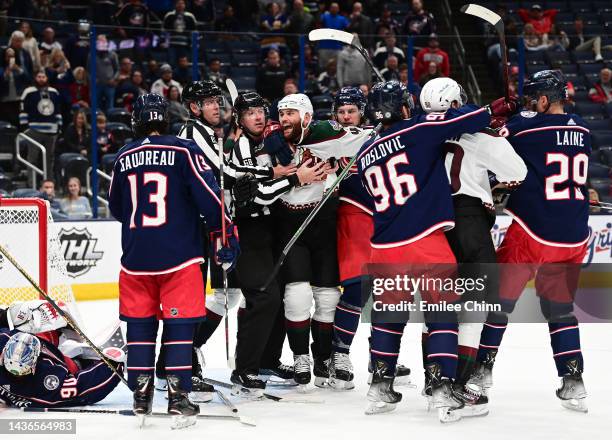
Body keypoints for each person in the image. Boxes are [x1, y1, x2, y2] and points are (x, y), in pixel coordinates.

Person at [356, 80, 509, 419]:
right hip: (426, 241)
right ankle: (441, 389)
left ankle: (379, 388)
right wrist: (493, 109)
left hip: (384, 246)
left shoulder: (365, 153)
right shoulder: (418, 128)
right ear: (406, 108)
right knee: (442, 315)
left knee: (388, 318)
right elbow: (459, 120)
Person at [154, 81, 294, 395]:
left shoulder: (208, 134)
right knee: (189, 299)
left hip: (210, 226)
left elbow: (227, 170)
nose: (217, 107)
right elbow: (224, 174)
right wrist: (275, 174)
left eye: (218, 101)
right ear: (193, 108)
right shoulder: (192, 134)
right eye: (208, 102)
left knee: (224, 296)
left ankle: (182, 357)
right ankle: (171, 365)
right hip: (193, 229)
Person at [108, 93, 239, 426]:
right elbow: (209, 199)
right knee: (179, 327)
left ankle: (141, 396)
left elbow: (116, 208)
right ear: (166, 118)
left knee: (139, 329)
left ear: (136, 121)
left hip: (136, 257)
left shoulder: (123, 155)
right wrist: (225, 233)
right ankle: (179, 398)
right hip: (180, 255)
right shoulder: (184, 150)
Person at [471, 70, 591, 413]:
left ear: (543, 100)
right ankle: (573, 381)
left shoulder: (527, 127)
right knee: (560, 309)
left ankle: (481, 371)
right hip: (573, 234)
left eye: (531, 99)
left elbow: (486, 133)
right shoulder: (581, 125)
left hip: (533, 231)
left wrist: (501, 112)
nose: (529, 104)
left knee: (500, 303)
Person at [419, 77, 526, 414]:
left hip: (430, 224)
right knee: (476, 307)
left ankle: (435, 380)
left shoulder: (418, 133)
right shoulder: (478, 134)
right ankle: (461, 388)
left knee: (438, 308)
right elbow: (517, 171)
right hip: (467, 221)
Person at [225, 92, 327, 394]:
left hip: (271, 228)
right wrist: (296, 179)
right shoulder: (241, 145)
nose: (258, 117)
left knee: (281, 294)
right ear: (239, 119)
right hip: (249, 230)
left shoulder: (265, 139)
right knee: (263, 297)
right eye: (250, 113)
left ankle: (268, 359)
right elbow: (256, 195)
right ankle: (245, 369)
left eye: (261, 110)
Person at [270, 93, 373, 388]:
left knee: (328, 298)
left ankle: (325, 358)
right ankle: (300, 356)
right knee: (297, 297)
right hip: (290, 225)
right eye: (282, 113)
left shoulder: (325, 132)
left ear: (306, 116)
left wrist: (387, 120)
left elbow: (361, 136)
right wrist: (271, 135)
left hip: (323, 221)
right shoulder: (271, 139)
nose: (284, 118)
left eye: (291, 113)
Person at [329, 86, 411, 391]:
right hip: (352, 218)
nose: (346, 116)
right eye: (341, 111)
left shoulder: (379, 136)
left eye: (351, 110)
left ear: (364, 111)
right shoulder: (332, 137)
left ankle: (381, 358)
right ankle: (339, 355)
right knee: (355, 290)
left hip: (384, 220)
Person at [0, 300, 124, 408]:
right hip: (60, 364)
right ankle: (75, 356)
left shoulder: (2, 340)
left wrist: (5, 316)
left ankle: (57, 333)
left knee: (24, 323)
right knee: (73, 366)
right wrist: (112, 366)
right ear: (33, 366)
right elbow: (85, 388)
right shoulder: (44, 386)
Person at [19, 70, 63, 179]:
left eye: (43, 76)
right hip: (34, 130)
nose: (41, 79)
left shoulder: (54, 92)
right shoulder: (29, 91)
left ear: (47, 78)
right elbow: (23, 109)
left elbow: (57, 110)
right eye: (39, 76)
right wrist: (24, 126)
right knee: (32, 158)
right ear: (35, 78)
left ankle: (49, 184)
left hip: (52, 130)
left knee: (49, 159)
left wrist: (59, 125)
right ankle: (32, 184)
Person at [163, 0, 197, 66]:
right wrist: (166, 43)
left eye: (182, 3)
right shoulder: (169, 15)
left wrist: (192, 44)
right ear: (175, 4)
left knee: (184, 65)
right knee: (172, 64)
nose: (180, 5)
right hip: (172, 45)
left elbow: (194, 32)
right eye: (178, 3)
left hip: (185, 45)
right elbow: (165, 31)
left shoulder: (190, 16)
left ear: (185, 5)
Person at [317, 2, 349, 69]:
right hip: (324, 46)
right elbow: (318, 23)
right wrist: (320, 10)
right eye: (332, 8)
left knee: (337, 67)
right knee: (323, 67)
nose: (334, 9)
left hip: (337, 47)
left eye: (336, 8)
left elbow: (348, 28)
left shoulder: (342, 19)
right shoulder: (324, 16)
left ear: (338, 9)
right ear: (330, 9)